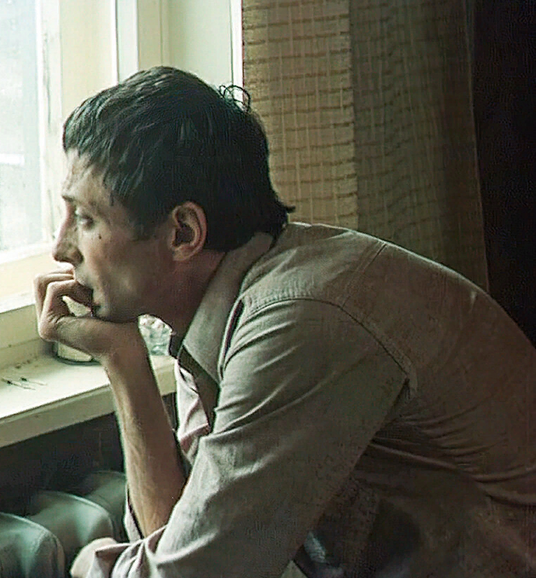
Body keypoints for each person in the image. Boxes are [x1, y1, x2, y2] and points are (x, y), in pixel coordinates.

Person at [34, 66, 536, 578]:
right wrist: (123, 362)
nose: (60, 248)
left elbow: (195, 571)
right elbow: (180, 535)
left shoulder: (297, 323)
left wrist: (89, 566)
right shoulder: (217, 305)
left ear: (182, 233)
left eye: (86, 219)